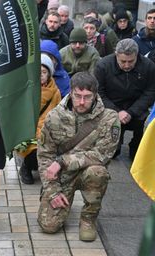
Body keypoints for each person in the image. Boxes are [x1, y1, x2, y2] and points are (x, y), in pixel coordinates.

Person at [37, 71, 120, 242]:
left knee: (98, 172)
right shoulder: (54, 117)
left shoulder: (109, 118)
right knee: (49, 226)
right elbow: (45, 156)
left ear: (95, 95)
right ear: (70, 92)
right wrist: (52, 191)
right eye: (77, 96)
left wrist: (62, 161)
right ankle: (62, 198)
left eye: (87, 97)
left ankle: (88, 218)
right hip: (62, 176)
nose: (82, 102)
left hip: (87, 172)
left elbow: (102, 155)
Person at [94, 39, 155, 160]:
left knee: (147, 123)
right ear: (116, 55)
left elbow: (150, 92)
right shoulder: (103, 66)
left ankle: (136, 146)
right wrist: (116, 111)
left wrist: (131, 112)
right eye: (123, 61)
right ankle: (115, 143)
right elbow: (98, 93)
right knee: (112, 153)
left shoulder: (148, 66)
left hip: (137, 108)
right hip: (111, 107)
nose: (127, 65)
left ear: (137, 55)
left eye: (131, 61)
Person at [17, 54, 61, 184]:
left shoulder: (55, 92)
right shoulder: (26, 89)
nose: (41, 74)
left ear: (49, 74)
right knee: (35, 147)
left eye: (44, 72)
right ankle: (26, 167)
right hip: (28, 129)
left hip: (47, 128)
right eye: (38, 71)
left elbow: (58, 113)